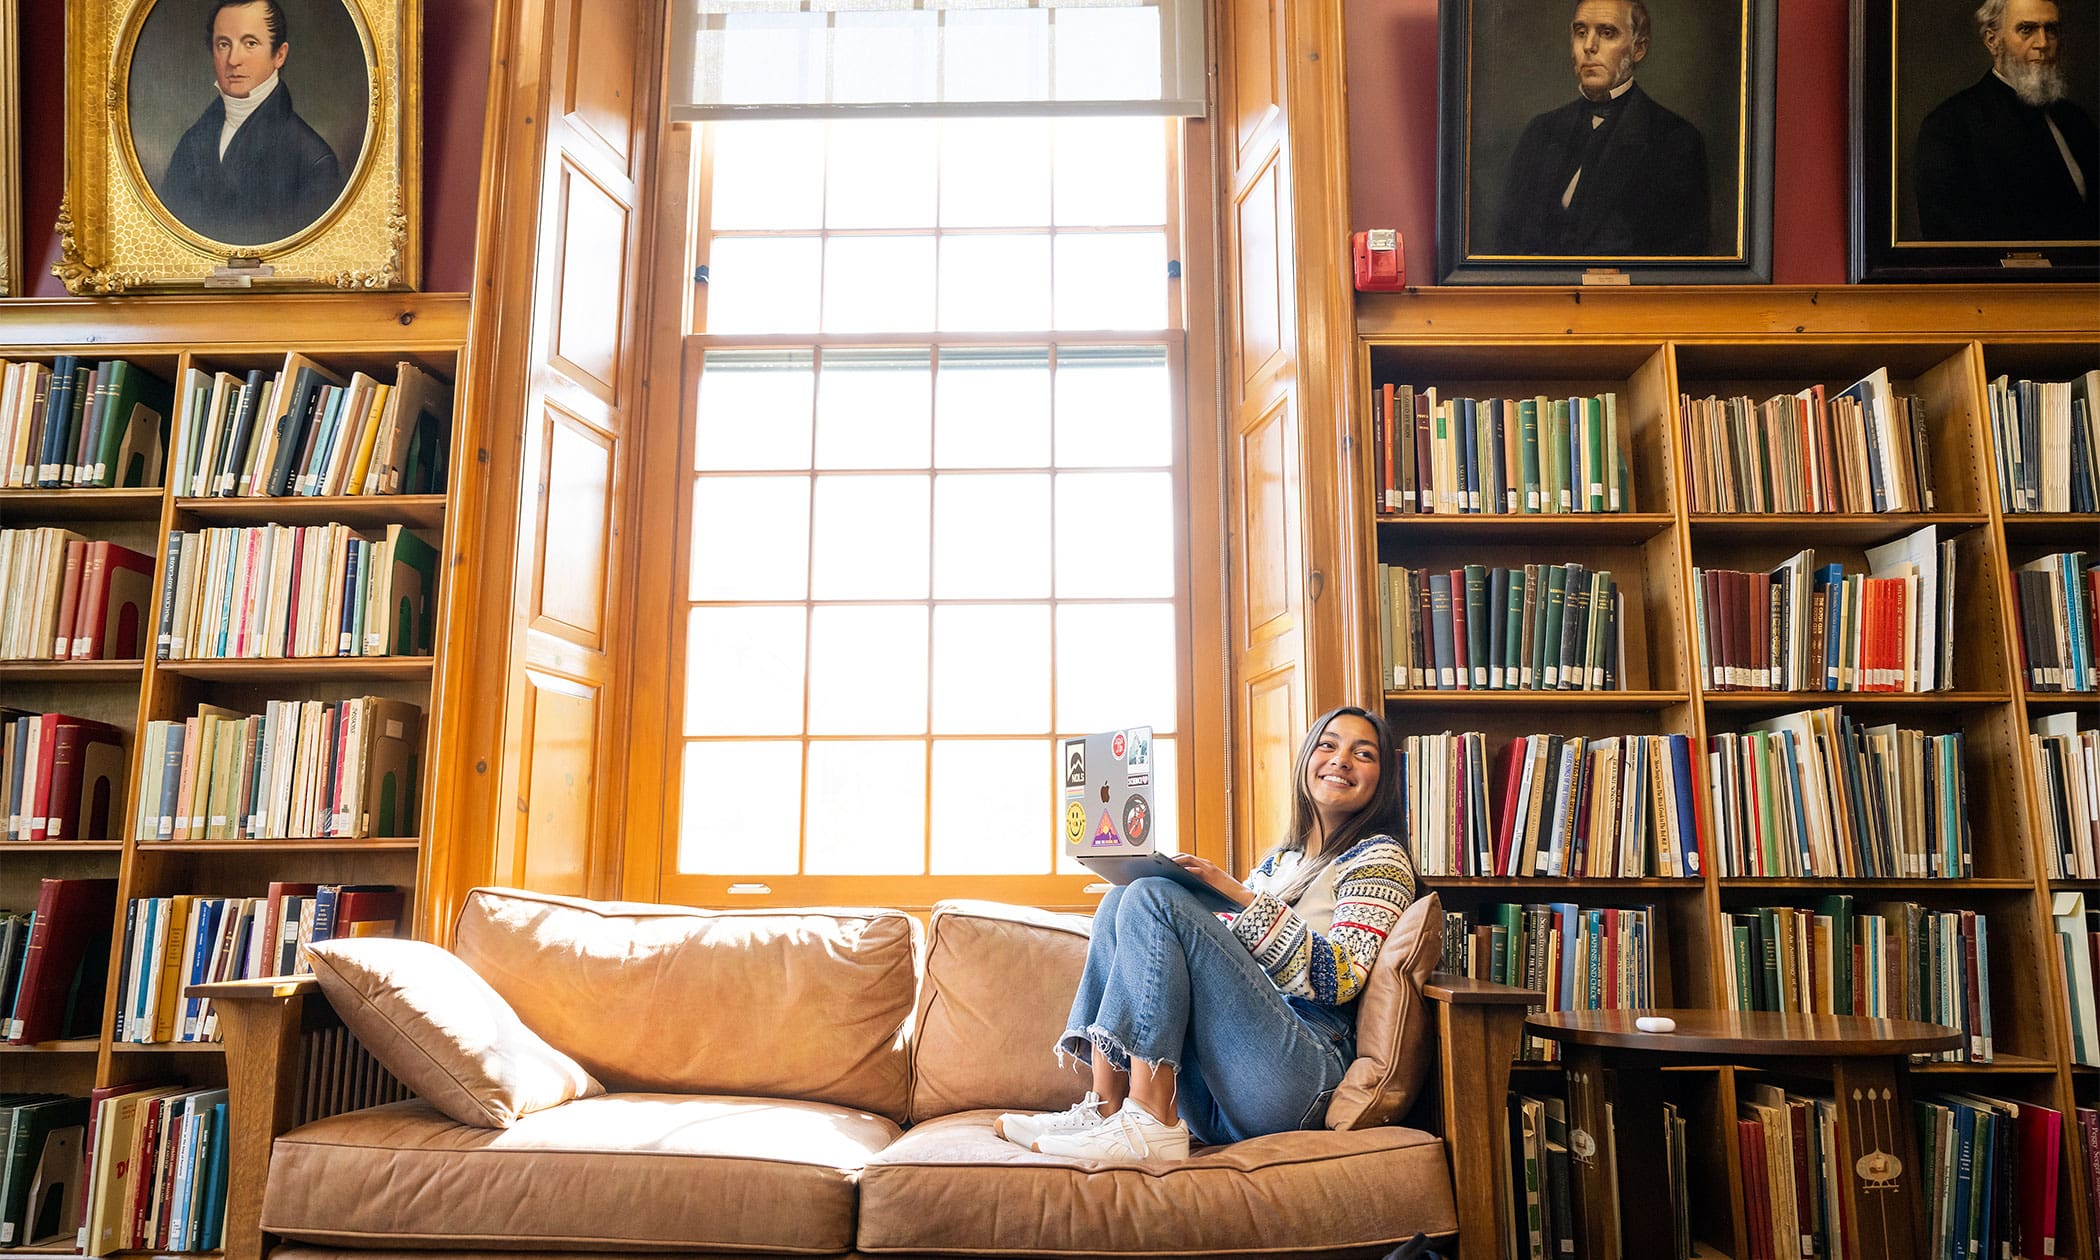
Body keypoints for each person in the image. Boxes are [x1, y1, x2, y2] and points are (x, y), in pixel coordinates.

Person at [995, 706, 1418, 1161]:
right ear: (1306, 761)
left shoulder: (1379, 859)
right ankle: (1104, 1109)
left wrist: (1234, 893)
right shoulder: (1281, 862)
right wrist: (1191, 901)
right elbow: (1229, 964)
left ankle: (1151, 1119)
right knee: (1124, 897)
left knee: (1151, 897)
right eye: (1328, 745)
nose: (1341, 760)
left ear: (1382, 779)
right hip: (1226, 1090)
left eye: (1363, 753)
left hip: (1301, 1075)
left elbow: (1342, 978)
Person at [1492, 0, 1711, 257]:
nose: (1589, 46)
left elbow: (1678, 263)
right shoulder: (1540, 132)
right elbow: (1506, 246)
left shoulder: (1675, 141)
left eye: (1607, 33)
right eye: (1581, 32)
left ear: (1638, 49)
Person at [158, 0, 347, 246]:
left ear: (279, 55)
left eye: (250, 43)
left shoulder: (314, 161)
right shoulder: (192, 143)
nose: (233, 60)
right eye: (224, 44)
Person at [1914, 0, 2098, 242]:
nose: (2042, 43)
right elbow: (1952, 242)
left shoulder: (2075, 121)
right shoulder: (1950, 126)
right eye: (2026, 29)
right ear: (1993, 41)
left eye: (2050, 29)